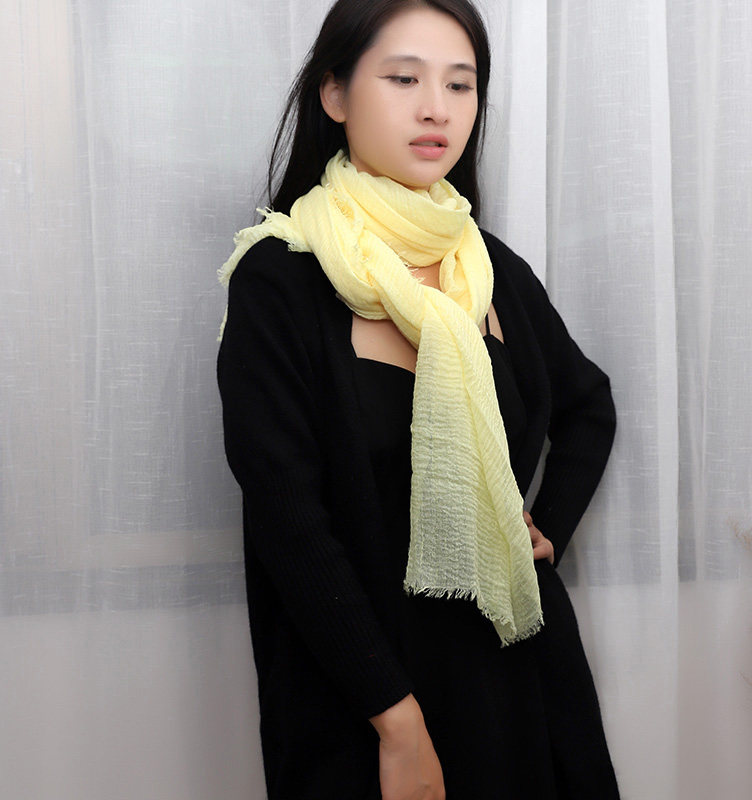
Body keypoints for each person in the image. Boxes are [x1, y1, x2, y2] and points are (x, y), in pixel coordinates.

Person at [217, 1, 620, 798]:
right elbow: (288, 521)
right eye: (404, 79)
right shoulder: (280, 277)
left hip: (522, 674)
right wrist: (398, 724)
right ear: (335, 94)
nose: (437, 108)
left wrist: (548, 527)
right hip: (362, 696)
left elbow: (590, 404)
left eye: (460, 85)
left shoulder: (488, 267)